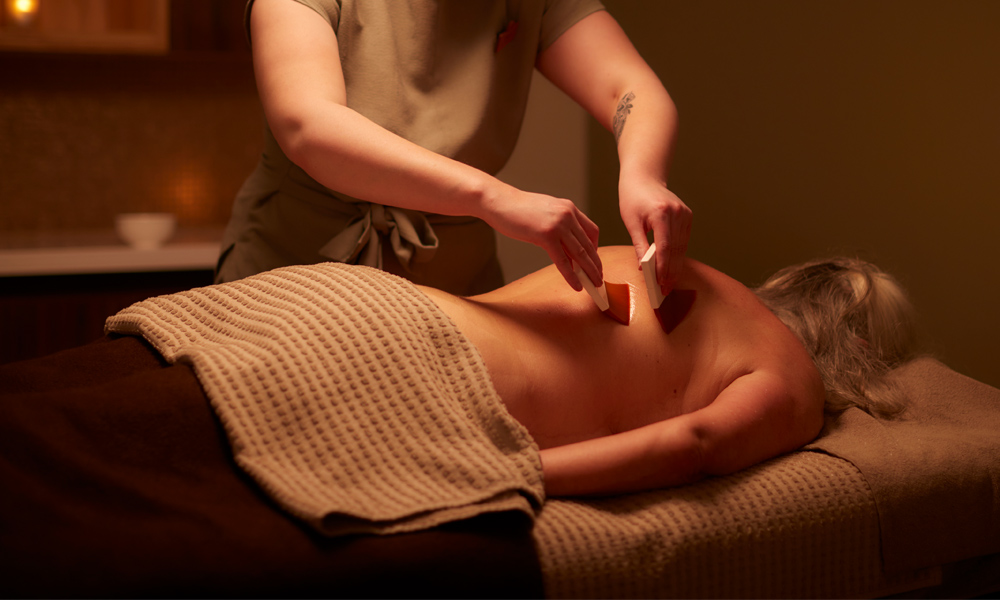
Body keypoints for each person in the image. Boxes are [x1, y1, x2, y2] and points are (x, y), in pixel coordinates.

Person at [216, 0, 692, 298]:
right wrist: (493, 197)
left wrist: (643, 175)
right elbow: (309, 127)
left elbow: (627, 88)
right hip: (298, 274)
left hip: (459, 286)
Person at [418, 246, 919, 496]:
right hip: (439, 389)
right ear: (860, 349)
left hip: (380, 301)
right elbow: (692, 446)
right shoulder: (794, 380)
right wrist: (509, 477)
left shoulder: (681, 268)